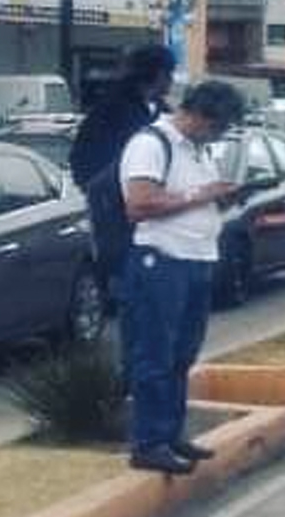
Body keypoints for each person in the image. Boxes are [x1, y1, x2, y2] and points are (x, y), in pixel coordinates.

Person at [119, 81, 246, 475]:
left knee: (182, 354)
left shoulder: (197, 149)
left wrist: (221, 196)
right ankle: (148, 442)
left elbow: (195, 195)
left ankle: (170, 433)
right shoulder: (152, 143)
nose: (220, 134)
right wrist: (202, 195)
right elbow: (139, 204)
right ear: (199, 115)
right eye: (219, 126)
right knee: (154, 354)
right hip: (162, 259)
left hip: (197, 259)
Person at [70, 44, 175, 185]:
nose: (171, 80)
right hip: (117, 198)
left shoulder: (164, 111)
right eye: (168, 73)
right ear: (156, 73)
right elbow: (82, 159)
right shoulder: (111, 110)